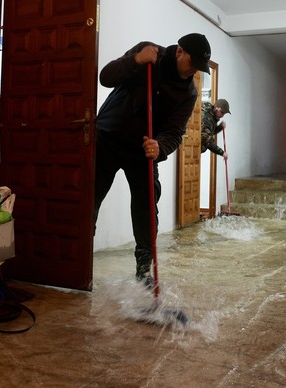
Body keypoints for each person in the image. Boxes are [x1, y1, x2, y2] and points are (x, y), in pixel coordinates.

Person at [94, 33, 212, 288]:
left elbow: (174, 131)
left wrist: (159, 148)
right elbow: (106, 77)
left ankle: (144, 271)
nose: (193, 71)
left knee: (147, 208)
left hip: (143, 150)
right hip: (107, 138)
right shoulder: (149, 56)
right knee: (90, 199)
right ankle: (78, 260)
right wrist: (135, 60)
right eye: (192, 64)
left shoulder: (188, 93)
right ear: (179, 52)